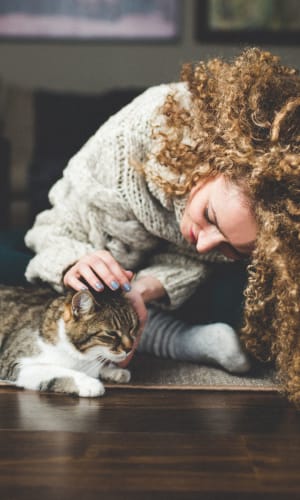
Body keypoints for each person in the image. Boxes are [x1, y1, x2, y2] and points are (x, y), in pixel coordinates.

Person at [24, 48, 300, 405]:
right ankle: (182, 339)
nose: (204, 243)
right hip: (88, 246)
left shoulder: (259, 224)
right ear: (216, 159)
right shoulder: (136, 138)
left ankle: (179, 329)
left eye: (235, 247)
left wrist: (143, 289)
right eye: (211, 216)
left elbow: (196, 261)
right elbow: (48, 229)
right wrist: (78, 262)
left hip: (146, 281)